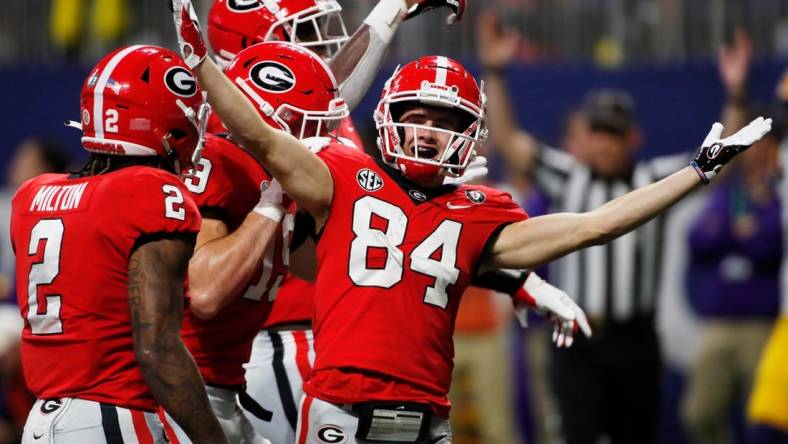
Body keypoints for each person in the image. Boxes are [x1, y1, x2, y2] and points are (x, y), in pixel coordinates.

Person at [169, 2, 771, 442]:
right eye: (415, 114)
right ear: (387, 116)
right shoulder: (342, 173)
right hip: (339, 409)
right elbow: (266, 134)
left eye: (444, 120)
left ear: (469, 135)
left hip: (429, 417)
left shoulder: (481, 212)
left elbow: (597, 224)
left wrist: (697, 171)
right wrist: (204, 66)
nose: (428, 130)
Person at [170, 1, 471, 442]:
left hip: (232, 377)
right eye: (303, 32)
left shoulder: (261, 155)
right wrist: (274, 199)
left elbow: (339, 262)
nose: (319, 44)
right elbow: (206, 292)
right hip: (219, 372)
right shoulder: (222, 151)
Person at [11, 45, 228, 444]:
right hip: (113, 416)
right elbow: (157, 347)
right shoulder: (149, 192)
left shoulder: (32, 195)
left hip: (41, 420)